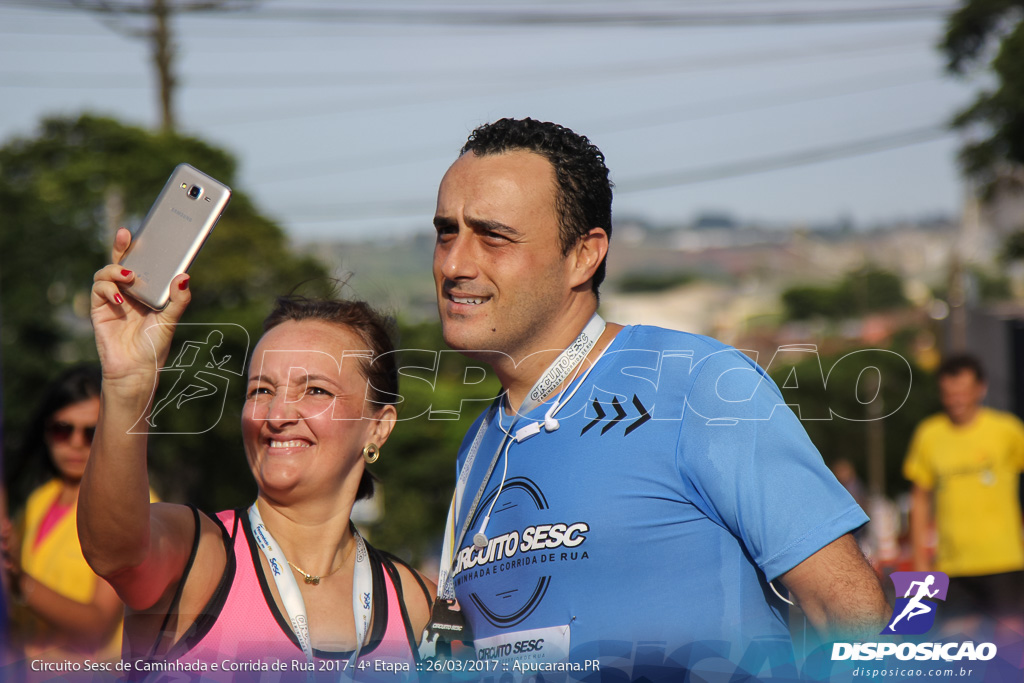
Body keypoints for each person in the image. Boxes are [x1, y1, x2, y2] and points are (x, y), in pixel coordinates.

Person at [429, 117, 889, 677]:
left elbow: (849, 609)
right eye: (446, 232)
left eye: (492, 235)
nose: (455, 263)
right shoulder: (478, 446)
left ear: (583, 255)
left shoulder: (698, 384)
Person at [79, 231, 433, 679]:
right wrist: (127, 382)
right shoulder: (200, 554)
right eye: (261, 390)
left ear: (378, 427)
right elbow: (116, 553)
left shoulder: (421, 607)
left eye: (316, 391)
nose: (278, 412)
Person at [1, 364, 134, 665]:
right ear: (45, 431)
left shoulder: (136, 508)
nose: (75, 443)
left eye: (91, 432)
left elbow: (97, 627)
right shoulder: (39, 500)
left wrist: (18, 582)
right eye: (62, 429)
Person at [903, 354, 1024, 631]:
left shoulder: (1007, 430)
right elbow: (919, 499)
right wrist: (920, 560)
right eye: (949, 394)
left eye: (963, 392)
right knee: (957, 650)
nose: (956, 400)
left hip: (1003, 560)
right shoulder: (929, 434)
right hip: (950, 565)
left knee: (1011, 647)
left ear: (980, 389)